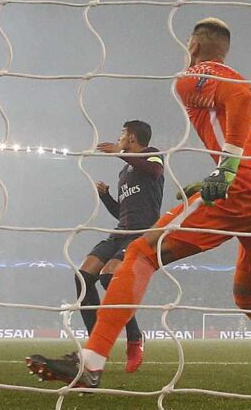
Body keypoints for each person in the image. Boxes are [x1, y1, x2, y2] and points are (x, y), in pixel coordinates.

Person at [26, 18, 251, 394]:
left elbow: (238, 99)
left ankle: (92, 362)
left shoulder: (194, 75)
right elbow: (246, 116)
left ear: (194, 46)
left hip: (245, 189)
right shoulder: (240, 80)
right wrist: (218, 172)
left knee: (141, 252)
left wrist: (228, 169)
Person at [74, 120, 164, 373]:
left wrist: (119, 153)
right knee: (82, 278)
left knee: (110, 278)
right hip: (121, 231)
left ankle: (135, 338)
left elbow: (155, 172)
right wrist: (105, 197)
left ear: (132, 137)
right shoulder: (124, 172)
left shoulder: (152, 155)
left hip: (143, 233)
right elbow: (122, 213)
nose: (119, 137)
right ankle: (96, 343)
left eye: (122, 134)